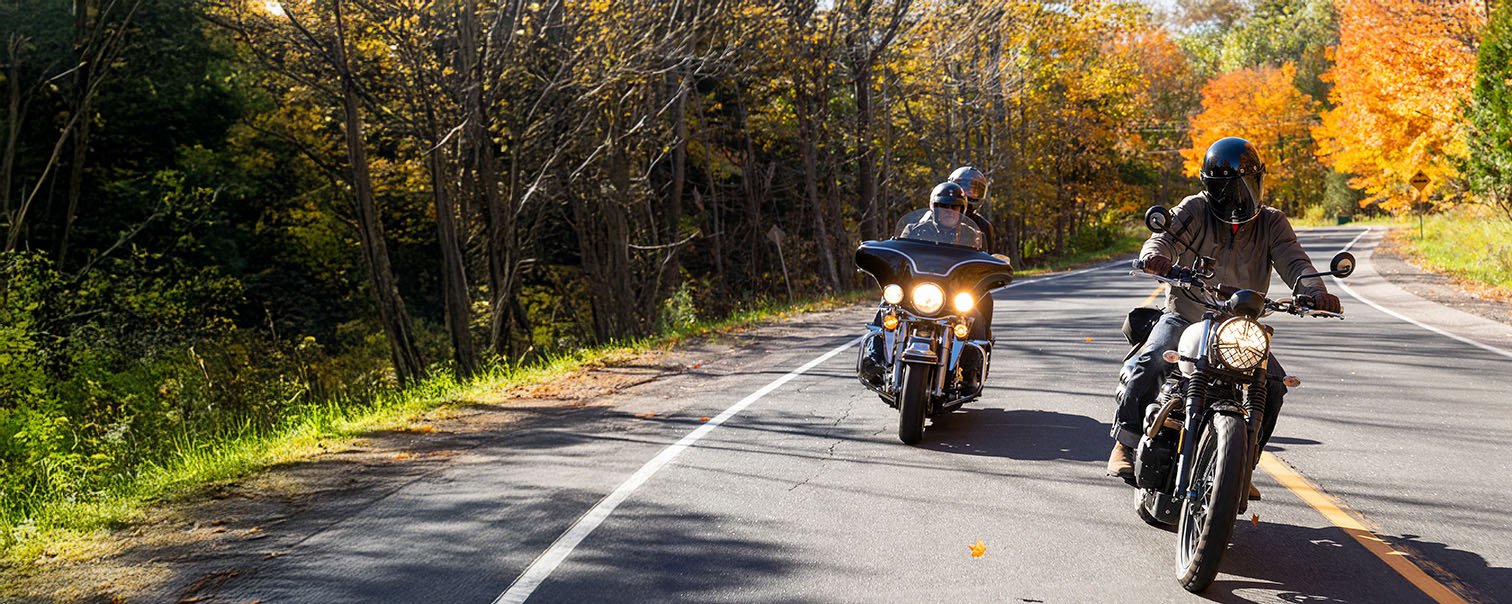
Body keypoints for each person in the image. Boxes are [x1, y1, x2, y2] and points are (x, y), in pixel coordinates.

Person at [1106, 137, 1342, 495]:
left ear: (1260, 183)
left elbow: (1296, 262)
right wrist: (1156, 257)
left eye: (1246, 187)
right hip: (1186, 316)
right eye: (1228, 190)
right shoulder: (1194, 210)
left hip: (1240, 327)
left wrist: (1315, 293)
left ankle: (1241, 467)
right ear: (1210, 189)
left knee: (1273, 386)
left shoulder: (1273, 223)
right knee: (1151, 361)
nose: (1238, 198)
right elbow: (1163, 238)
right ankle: (1125, 443)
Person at [901, 182, 984, 248]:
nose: (949, 211)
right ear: (934, 208)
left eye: (955, 206)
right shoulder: (914, 232)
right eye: (944, 206)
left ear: (962, 210)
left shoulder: (973, 236)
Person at [949, 166, 997, 253]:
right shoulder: (940, 215)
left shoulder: (984, 225)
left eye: (975, 190)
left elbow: (989, 257)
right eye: (966, 187)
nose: (970, 192)